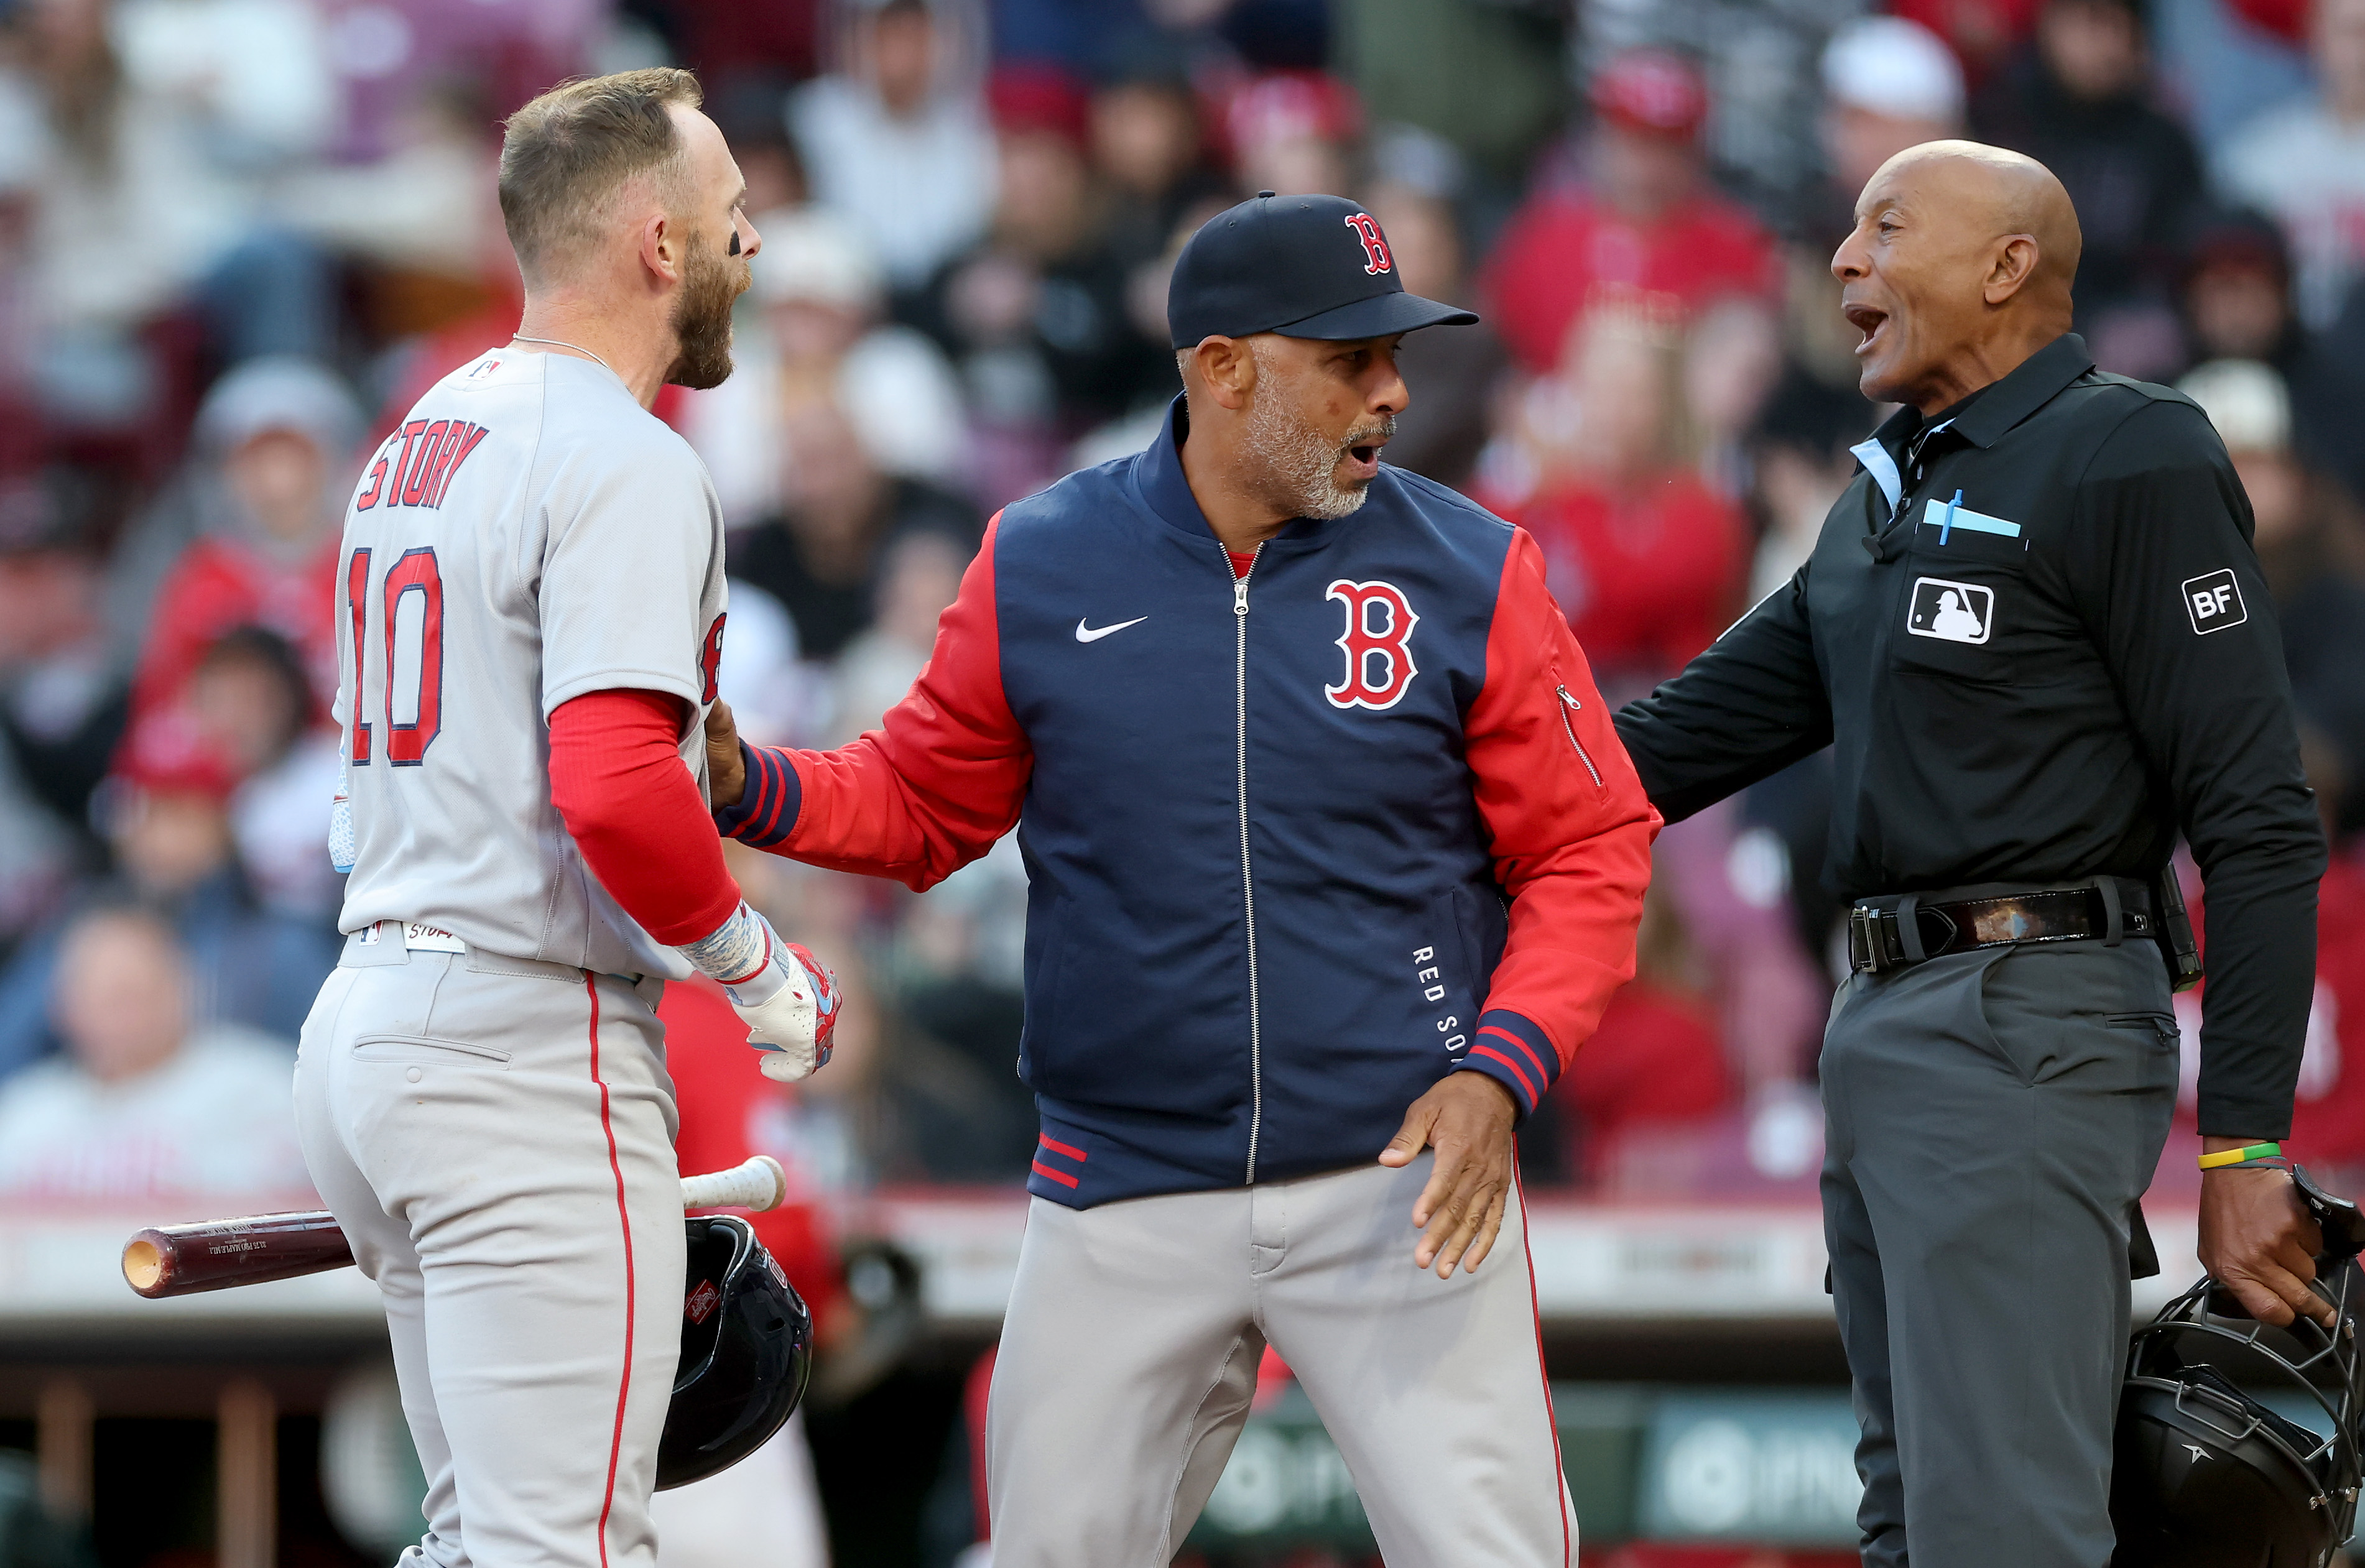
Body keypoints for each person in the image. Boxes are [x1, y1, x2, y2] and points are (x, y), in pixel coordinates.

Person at [702, 190, 1659, 1564]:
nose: (1391, 390)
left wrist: (1499, 1067)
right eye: (1348, 359)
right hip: (1125, 1175)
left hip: (1397, 1172)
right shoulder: (1044, 556)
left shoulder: (1467, 566)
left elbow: (1586, 842)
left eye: (1392, 355)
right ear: (1223, 368)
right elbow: (918, 802)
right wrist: (746, 783)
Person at [1614, 140, 2328, 1567]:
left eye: (1886, 228)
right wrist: (1396, 754)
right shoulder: (1880, 496)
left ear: (2006, 267)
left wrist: (2246, 1140)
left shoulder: (2128, 449)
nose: (1843, 259)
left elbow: (2256, 813)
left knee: (2000, 1533)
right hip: (1880, 1026)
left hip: (2026, 1020)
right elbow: (1664, 746)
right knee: (1912, 1524)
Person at [290, 69, 836, 1568]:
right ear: (657, 243)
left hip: (372, 1016)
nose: (749, 244)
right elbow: (610, 780)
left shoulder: (423, 428)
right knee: (564, 1548)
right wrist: (756, 969)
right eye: (730, 214)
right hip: (517, 1043)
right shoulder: (623, 452)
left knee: (476, 1540)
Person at [0, 905, 308, 1202]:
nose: (114, 1014)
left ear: (183, 988)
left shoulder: (266, 1093)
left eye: (128, 992)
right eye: (96, 993)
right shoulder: (24, 1114)